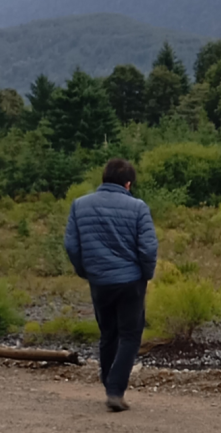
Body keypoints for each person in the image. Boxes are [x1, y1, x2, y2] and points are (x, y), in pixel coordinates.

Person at [64, 158, 157, 413]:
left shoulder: (79, 205)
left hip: (100, 282)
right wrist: (146, 275)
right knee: (129, 335)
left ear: (103, 179)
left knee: (108, 334)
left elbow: (71, 245)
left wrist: (86, 271)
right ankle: (115, 390)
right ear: (128, 183)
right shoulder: (138, 207)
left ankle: (109, 384)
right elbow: (148, 248)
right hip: (131, 282)